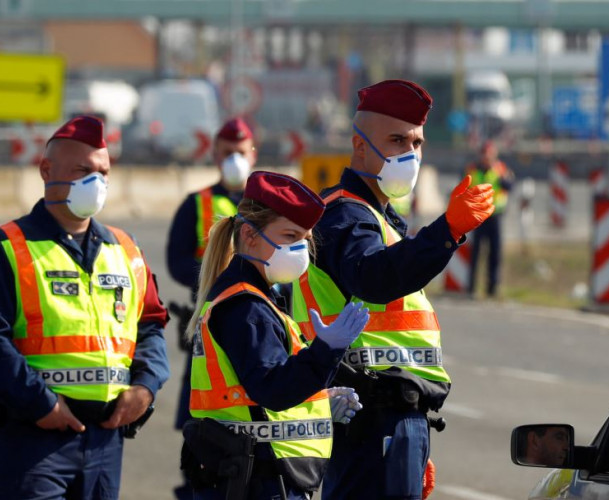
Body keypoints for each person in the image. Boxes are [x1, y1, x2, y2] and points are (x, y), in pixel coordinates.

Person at [290, 79, 496, 500]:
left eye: (417, 143)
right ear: (360, 145)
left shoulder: (376, 218)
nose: (411, 154)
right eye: (397, 140)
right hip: (371, 416)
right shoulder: (346, 216)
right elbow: (375, 278)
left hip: (391, 418)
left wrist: (411, 434)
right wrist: (447, 230)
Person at [0, 115, 170, 499]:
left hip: (106, 441)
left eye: (103, 172)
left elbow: (151, 326)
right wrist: (40, 404)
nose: (96, 183)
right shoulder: (9, 247)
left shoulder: (125, 249)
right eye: (82, 170)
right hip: (33, 435)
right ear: (46, 170)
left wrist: (145, 387)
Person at [181, 171, 369, 499]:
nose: (300, 249)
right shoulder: (246, 308)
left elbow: (254, 393)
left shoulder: (256, 299)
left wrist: (319, 403)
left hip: (255, 473)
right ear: (250, 235)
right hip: (258, 481)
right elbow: (273, 388)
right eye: (289, 236)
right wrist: (325, 350)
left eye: (305, 239)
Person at [166, 117, 257, 498]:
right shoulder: (197, 203)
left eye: (241, 152)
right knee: (202, 420)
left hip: (258, 323)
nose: (234, 159)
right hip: (208, 325)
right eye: (227, 153)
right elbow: (175, 260)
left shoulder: (265, 205)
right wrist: (220, 278)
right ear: (215, 154)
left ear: (252, 154)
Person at [465, 139, 514, 298]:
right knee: (475, 253)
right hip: (478, 217)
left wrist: (502, 178)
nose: (487, 157)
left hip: (495, 216)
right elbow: (465, 188)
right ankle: (471, 287)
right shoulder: (472, 169)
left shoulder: (501, 169)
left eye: (489, 154)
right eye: (485, 154)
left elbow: (509, 186)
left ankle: (492, 288)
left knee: (495, 254)